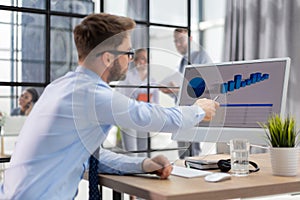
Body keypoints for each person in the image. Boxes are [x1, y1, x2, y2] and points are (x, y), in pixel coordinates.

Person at [0, 13, 219, 199]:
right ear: (107, 58)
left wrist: (143, 165)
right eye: (128, 53)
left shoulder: (60, 87)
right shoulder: (91, 94)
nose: (131, 60)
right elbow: (147, 115)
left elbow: (90, 155)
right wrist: (199, 110)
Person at [160, 28, 211, 159]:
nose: (178, 44)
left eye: (181, 40)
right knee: (183, 151)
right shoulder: (182, 61)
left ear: (190, 39)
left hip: (193, 109)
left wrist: (180, 89)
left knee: (193, 151)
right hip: (181, 111)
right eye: (175, 41)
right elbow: (180, 92)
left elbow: (205, 83)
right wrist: (170, 91)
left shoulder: (201, 56)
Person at [117, 48, 159, 157]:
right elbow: (119, 98)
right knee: (131, 154)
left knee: (143, 153)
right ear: (135, 61)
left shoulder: (152, 80)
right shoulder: (127, 77)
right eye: (141, 59)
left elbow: (156, 103)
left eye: (146, 59)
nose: (143, 62)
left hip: (144, 119)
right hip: (129, 118)